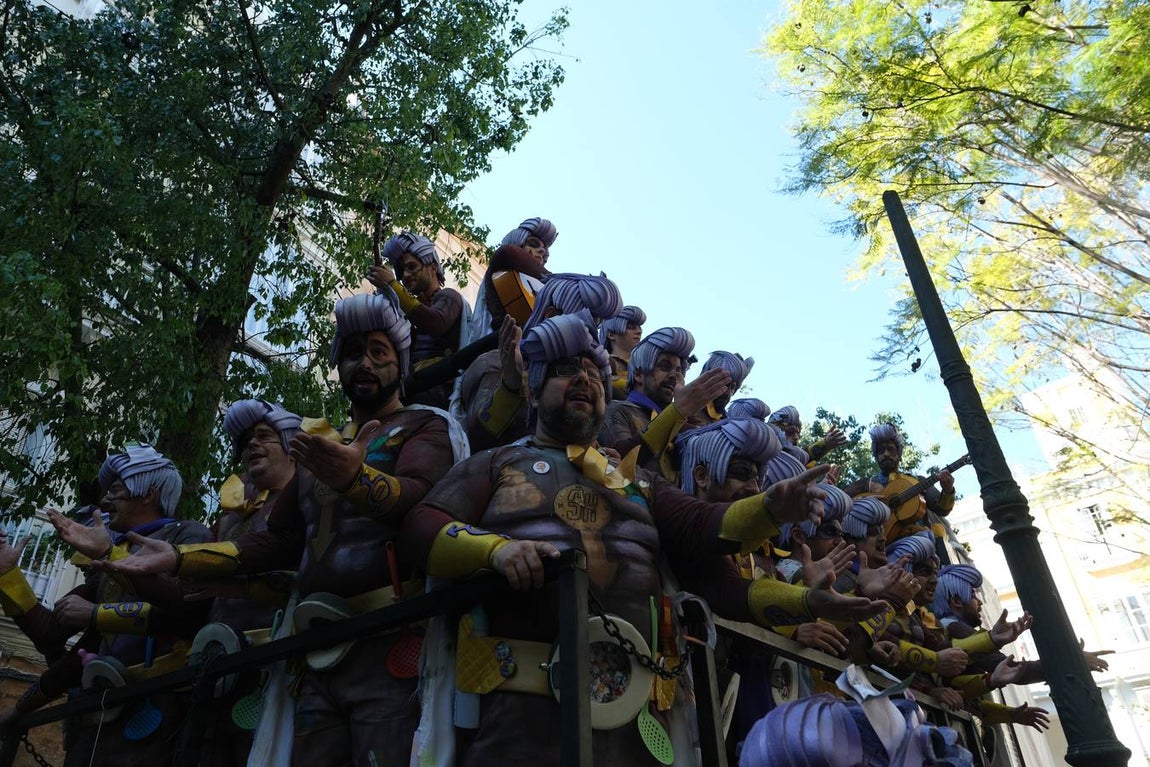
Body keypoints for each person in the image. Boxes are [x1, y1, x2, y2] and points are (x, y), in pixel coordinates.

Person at [399, 314, 867, 767]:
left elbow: (705, 537)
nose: (584, 379)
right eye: (566, 370)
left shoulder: (639, 483)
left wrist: (774, 525)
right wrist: (496, 550)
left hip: (638, 724)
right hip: (515, 715)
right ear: (534, 392)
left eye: (594, 374)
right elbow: (421, 526)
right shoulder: (496, 463)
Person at [102, 292, 462, 767]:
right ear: (338, 366)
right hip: (311, 651)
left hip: (389, 639)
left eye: (379, 352)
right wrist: (178, 558)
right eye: (353, 353)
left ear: (402, 363)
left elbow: (421, 502)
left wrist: (356, 480)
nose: (365, 363)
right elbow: (276, 541)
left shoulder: (425, 426)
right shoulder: (318, 448)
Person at [0, 445, 211, 766]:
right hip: (99, 713)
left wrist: (100, 612)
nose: (104, 501)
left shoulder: (189, 535)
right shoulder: (110, 557)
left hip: (160, 712)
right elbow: (51, 632)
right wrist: (8, 576)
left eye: (115, 490)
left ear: (148, 494)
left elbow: (187, 611)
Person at [458, 272, 621, 452]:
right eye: (583, 324)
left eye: (595, 327)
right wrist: (510, 387)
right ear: (550, 315)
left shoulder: (592, 376)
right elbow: (473, 441)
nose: (591, 337)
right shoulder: (494, 362)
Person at [597, 327, 730, 482]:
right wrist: (678, 411)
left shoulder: (683, 426)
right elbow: (620, 461)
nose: (674, 375)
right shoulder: (616, 410)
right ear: (639, 374)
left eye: (679, 371)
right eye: (665, 366)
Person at [368, 230, 466, 409]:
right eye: (401, 272)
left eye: (412, 267)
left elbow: (435, 322)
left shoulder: (449, 296)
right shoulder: (409, 314)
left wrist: (392, 285)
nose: (405, 275)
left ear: (433, 267)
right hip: (411, 393)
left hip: (440, 393)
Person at [847, 423, 954, 544]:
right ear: (876, 456)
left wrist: (948, 490)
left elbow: (942, 510)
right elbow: (840, 503)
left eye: (891, 449)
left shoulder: (918, 481)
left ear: (899, 454)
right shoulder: (865, 485)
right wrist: (862, 502)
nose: (886, 454)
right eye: (881, 450)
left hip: (918, 543)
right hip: (877, 547)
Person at [469, 217, 556, 338]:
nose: (541, 252)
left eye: (544, 254)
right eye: (533, 244)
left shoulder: (536, 292)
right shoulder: (501, 267)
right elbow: (507, 252)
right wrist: (557, 281)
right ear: (517, 243)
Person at [686, 351, 754, 428]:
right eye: (724, 384)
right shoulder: (687, 412)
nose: (727, 392)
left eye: (733, 387)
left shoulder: (726, 422)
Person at [599, 305, 645, 398]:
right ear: (611, 335)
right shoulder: (601, 363)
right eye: (630, 327)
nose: (639, 331)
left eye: (639, 327)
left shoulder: (646, 366)